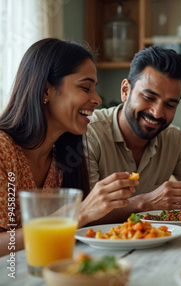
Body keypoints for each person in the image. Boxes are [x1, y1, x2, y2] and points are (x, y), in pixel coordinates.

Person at [0, 38, 136, 256]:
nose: (97, 99)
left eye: (95, 89)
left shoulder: (62, 159)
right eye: (85, 87)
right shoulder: (3, 150)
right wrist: (78, 212)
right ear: (46, 90)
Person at [85, 46, 181, 224]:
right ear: (125, 91)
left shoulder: (173, 138)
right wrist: (144, 203)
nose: (157, 113)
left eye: (170, 105)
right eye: (149, 98)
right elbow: (83, 212)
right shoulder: (90, 132)